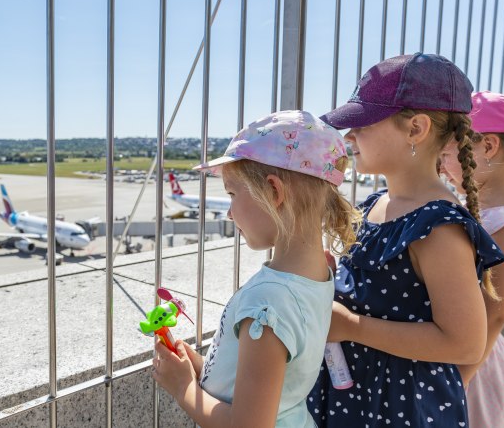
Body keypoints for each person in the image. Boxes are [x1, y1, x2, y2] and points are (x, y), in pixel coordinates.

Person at [308, 53, 504, 427]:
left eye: (362, 123)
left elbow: (465, 342)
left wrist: (351, 326)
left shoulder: (438, 226)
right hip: (363, 397)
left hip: (401, 409)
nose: (349, 136)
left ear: (416, 128)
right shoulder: (376, 205)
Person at [152, 110, 359, 427]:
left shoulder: (269, 302)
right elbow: (269, 378)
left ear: (274, 192)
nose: (231, 213)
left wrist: (184, 388)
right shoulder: (318, 275)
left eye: (233, 194)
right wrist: (202, 369)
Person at [439, 90, 504, 427]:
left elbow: (494, 314)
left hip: (470, 368)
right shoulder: (474, 211)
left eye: (449, 154)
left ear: (489, 146)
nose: (442, 167)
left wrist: (454, 387)